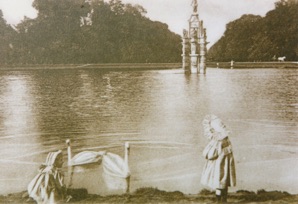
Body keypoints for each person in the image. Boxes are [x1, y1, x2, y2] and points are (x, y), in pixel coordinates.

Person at [201, 115, 236, 203]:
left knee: (221, 179)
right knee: (221, 180)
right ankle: (221, 200)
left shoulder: (221, 140)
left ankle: (221, 200)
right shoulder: (219, 139)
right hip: (220, 160)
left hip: (222, 160)